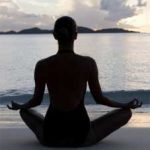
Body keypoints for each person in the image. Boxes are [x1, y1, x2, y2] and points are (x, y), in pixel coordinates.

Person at [7, 16, 142, 147]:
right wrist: (124, 104)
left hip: (51, 136)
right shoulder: (88, 63)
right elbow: (99, 99)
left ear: (55, 35)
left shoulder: (43, 65)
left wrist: (21, 106)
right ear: (76, 35)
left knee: (24, 112)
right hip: (81, 136)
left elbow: (36, 101)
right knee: (126, 112)